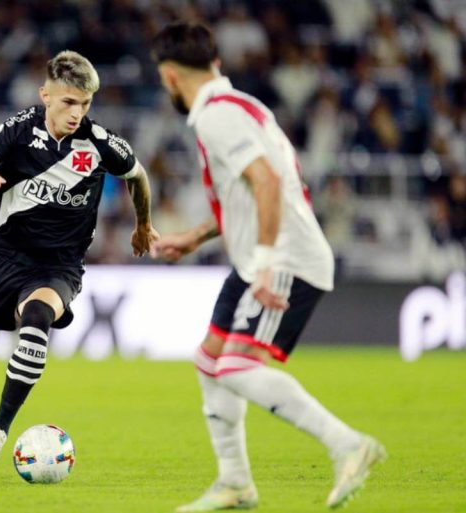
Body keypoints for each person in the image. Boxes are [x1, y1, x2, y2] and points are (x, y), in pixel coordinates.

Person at [149, 22, 385, 511]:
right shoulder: (241, 107)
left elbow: (267, 184)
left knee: (235, 366)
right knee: (210, 361)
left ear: (170, 76)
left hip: (283, 257)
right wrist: (193, 238)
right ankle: (235, 483)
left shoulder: (217, 117)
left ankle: (348, 444)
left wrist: (264, 265)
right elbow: (250, 189)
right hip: (258, 255)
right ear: (215, 62)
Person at [0, 50, 159, 463]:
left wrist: (142, 224)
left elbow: (138, 175)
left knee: (37, 320)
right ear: (46, 95)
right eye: (69, 102)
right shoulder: (18, 131)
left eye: (85, 104)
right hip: (1, 256)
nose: (77, 113)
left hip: (57, 266)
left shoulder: (101, 144)